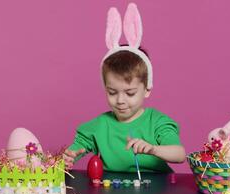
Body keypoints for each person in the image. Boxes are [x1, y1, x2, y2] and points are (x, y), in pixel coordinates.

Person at [63, 3, 186, 173]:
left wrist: (153, 149)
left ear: (147, 89)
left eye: (130, 93)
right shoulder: (100, 125)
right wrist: (69, 156)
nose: (120, 100)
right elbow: (75, 149)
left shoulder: (157, 122)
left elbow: (179, 154)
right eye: (112, 92)